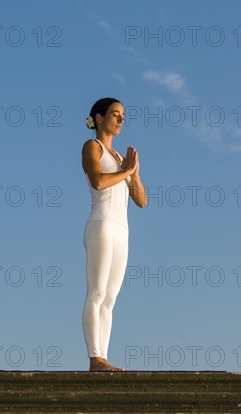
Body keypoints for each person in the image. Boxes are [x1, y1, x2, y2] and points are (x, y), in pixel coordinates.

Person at [81, 97, 147, 371]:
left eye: (123, 115)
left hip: (123, 231)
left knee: (110, 298)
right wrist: (125, 172)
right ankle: (95, 359)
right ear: (98, 118)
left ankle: (103, 357)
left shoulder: (122, 159)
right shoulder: (92, 147)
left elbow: (141, 200)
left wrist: (135, 173)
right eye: (115, 114)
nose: (121, 120)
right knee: (96, 293)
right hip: (102, 224)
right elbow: (98, 181)